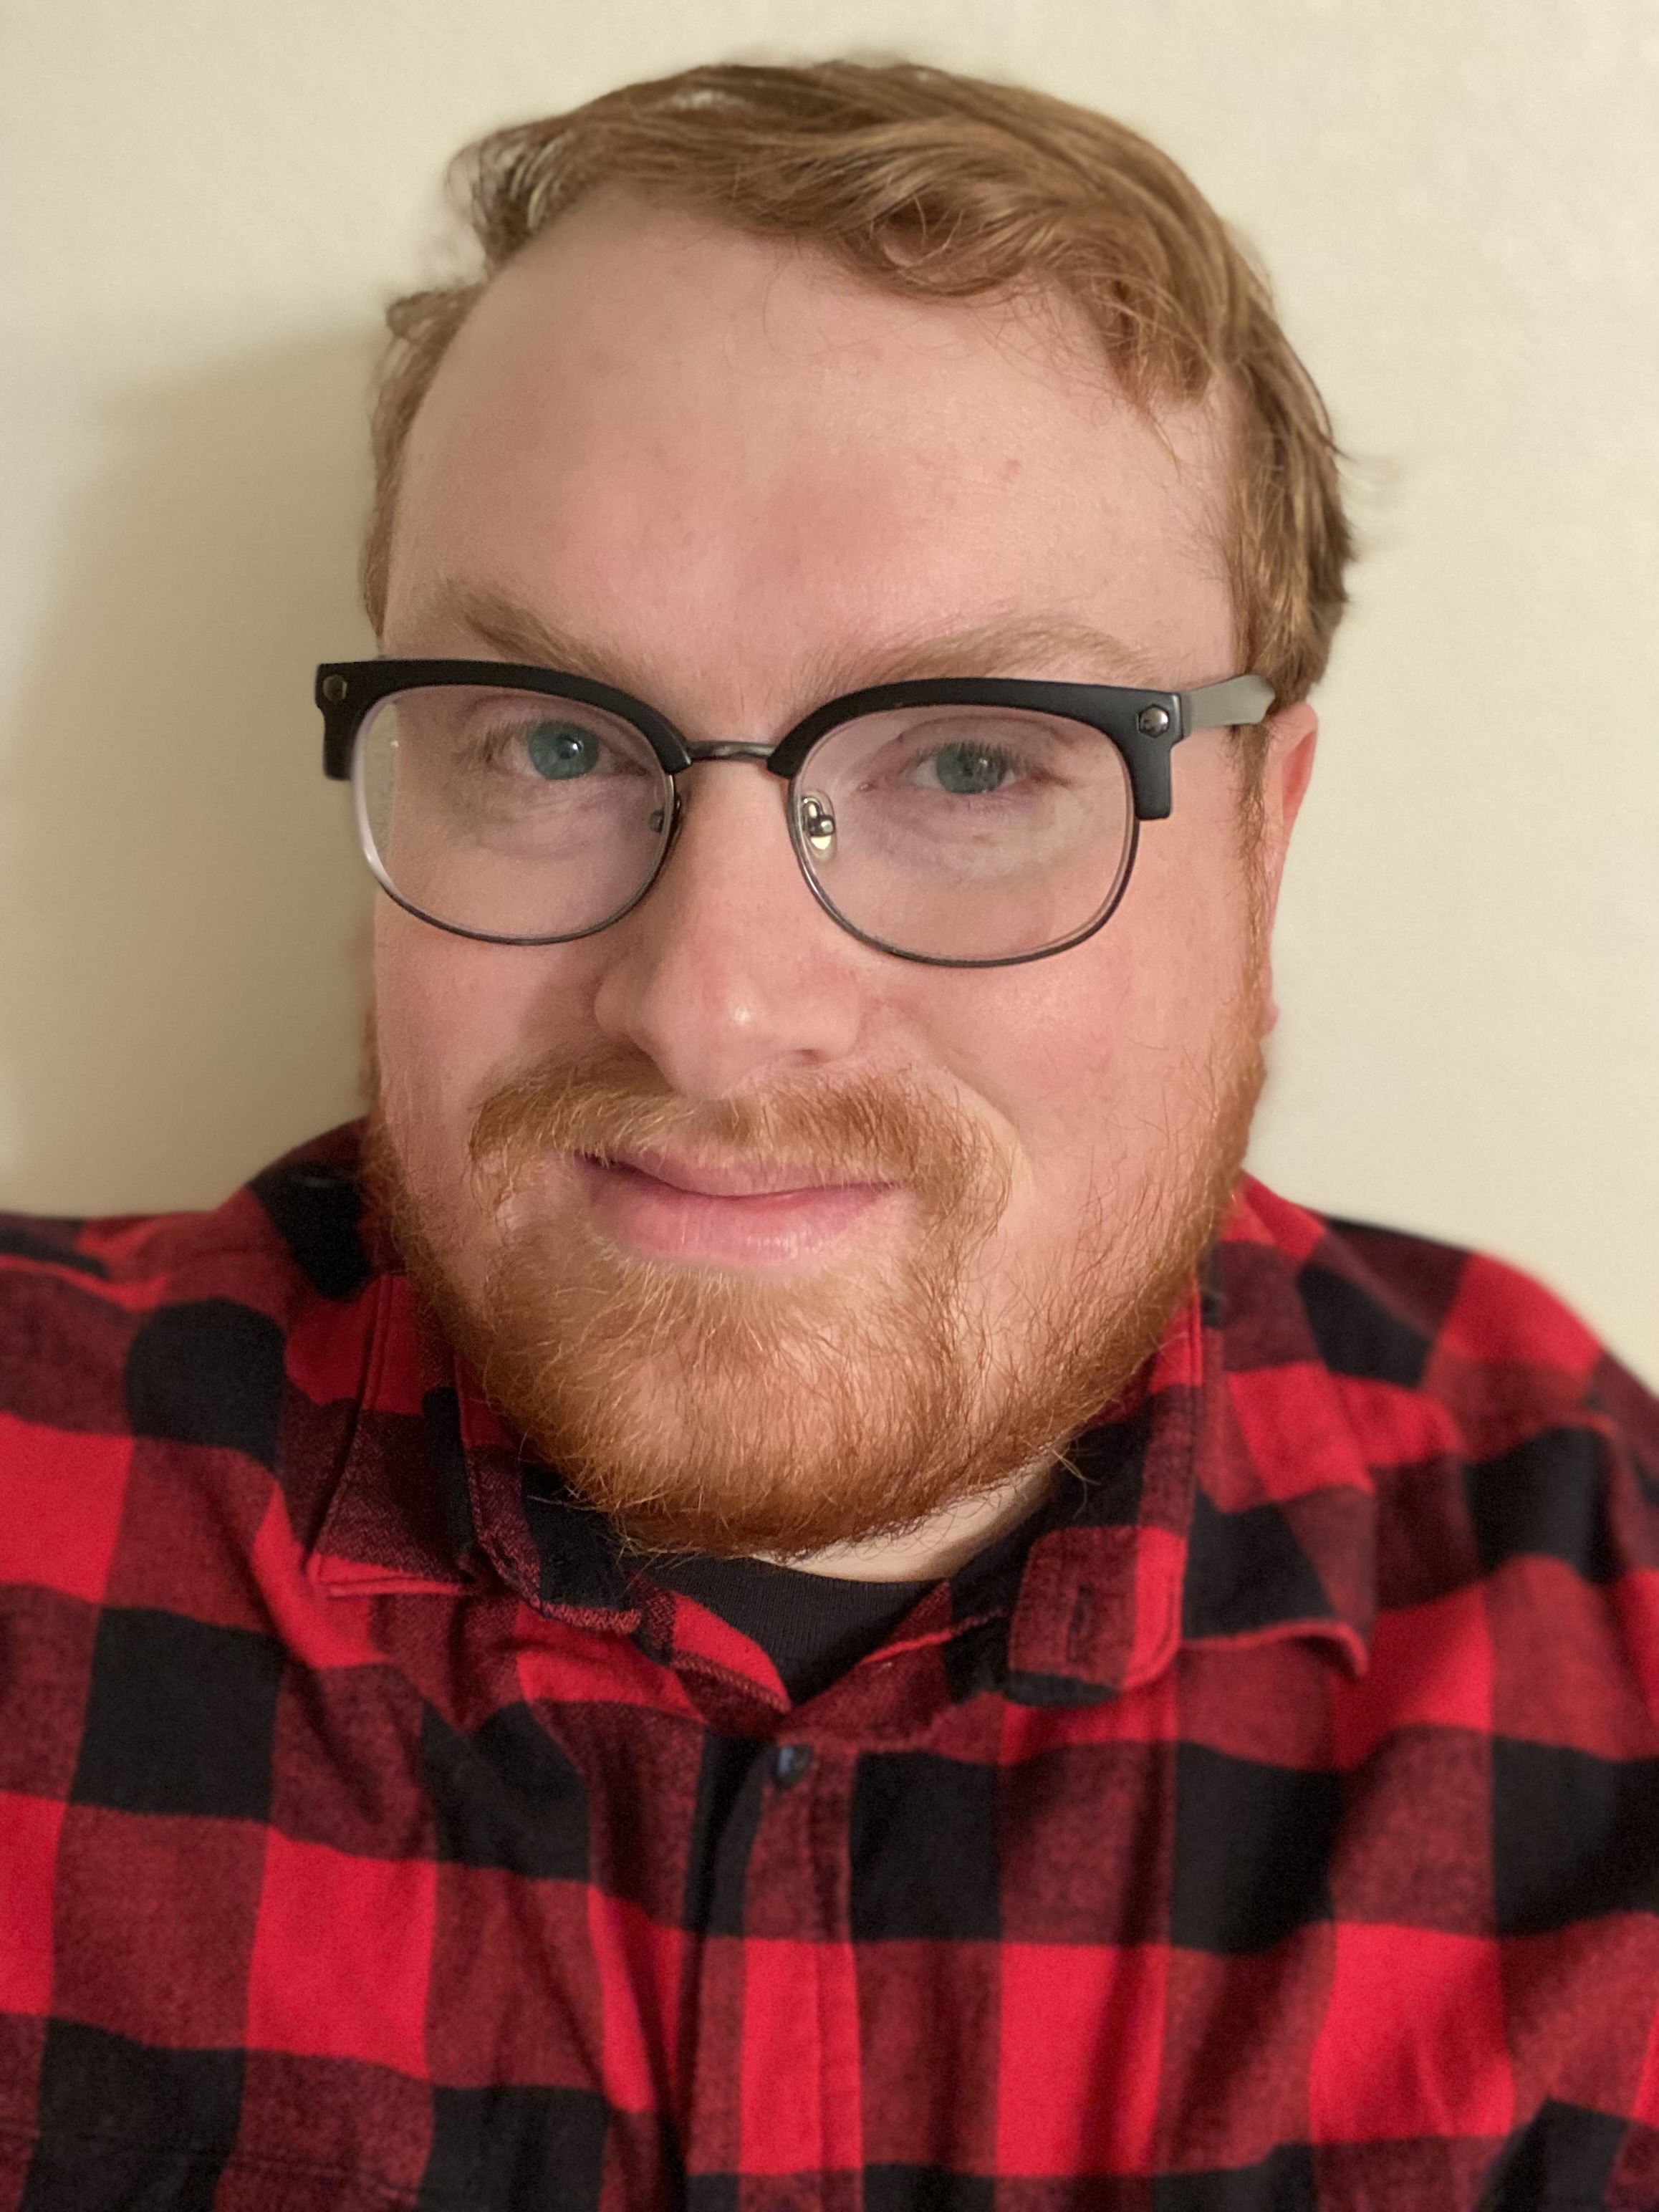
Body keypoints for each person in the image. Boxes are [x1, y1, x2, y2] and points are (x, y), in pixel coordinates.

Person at [1, 57, 1655, 2212]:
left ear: (1265, 838)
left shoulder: (1587, 1616)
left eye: (972, 766)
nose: (713, 1005)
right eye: (553, 737)